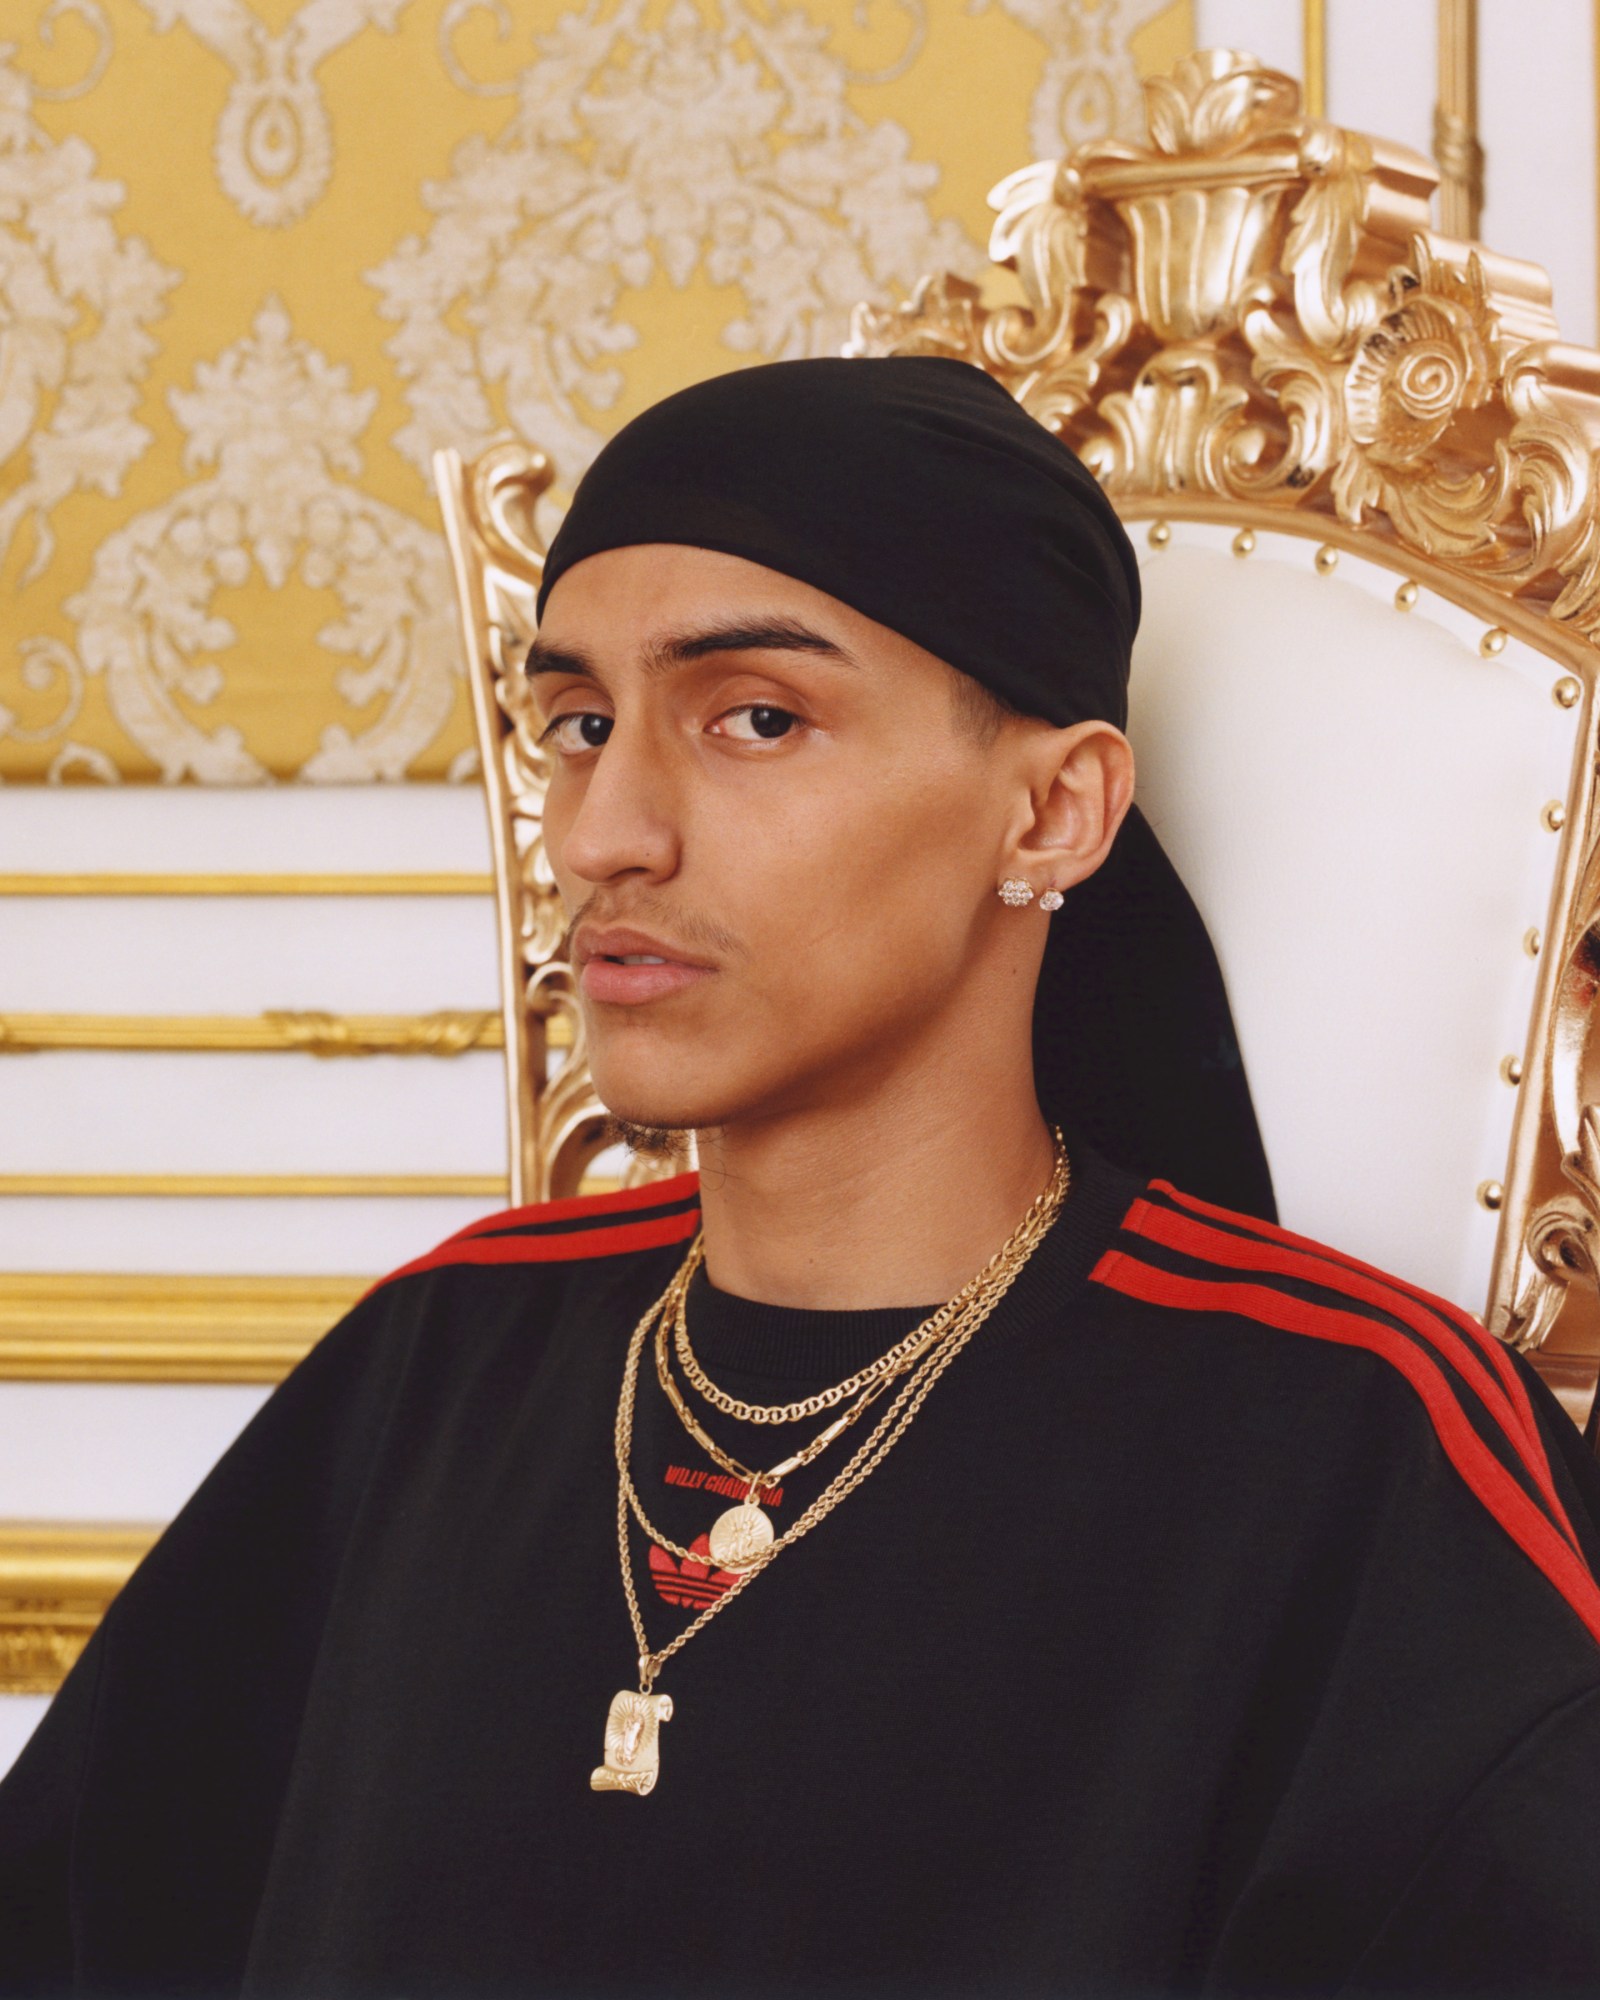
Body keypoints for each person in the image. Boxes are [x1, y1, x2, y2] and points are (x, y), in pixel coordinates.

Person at [1, 356, 1599, 2000]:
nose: (606, 834)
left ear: (1053, 814)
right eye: (579, 726)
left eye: (757, 719)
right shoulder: (441, 1354)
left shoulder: (1357, 1446)